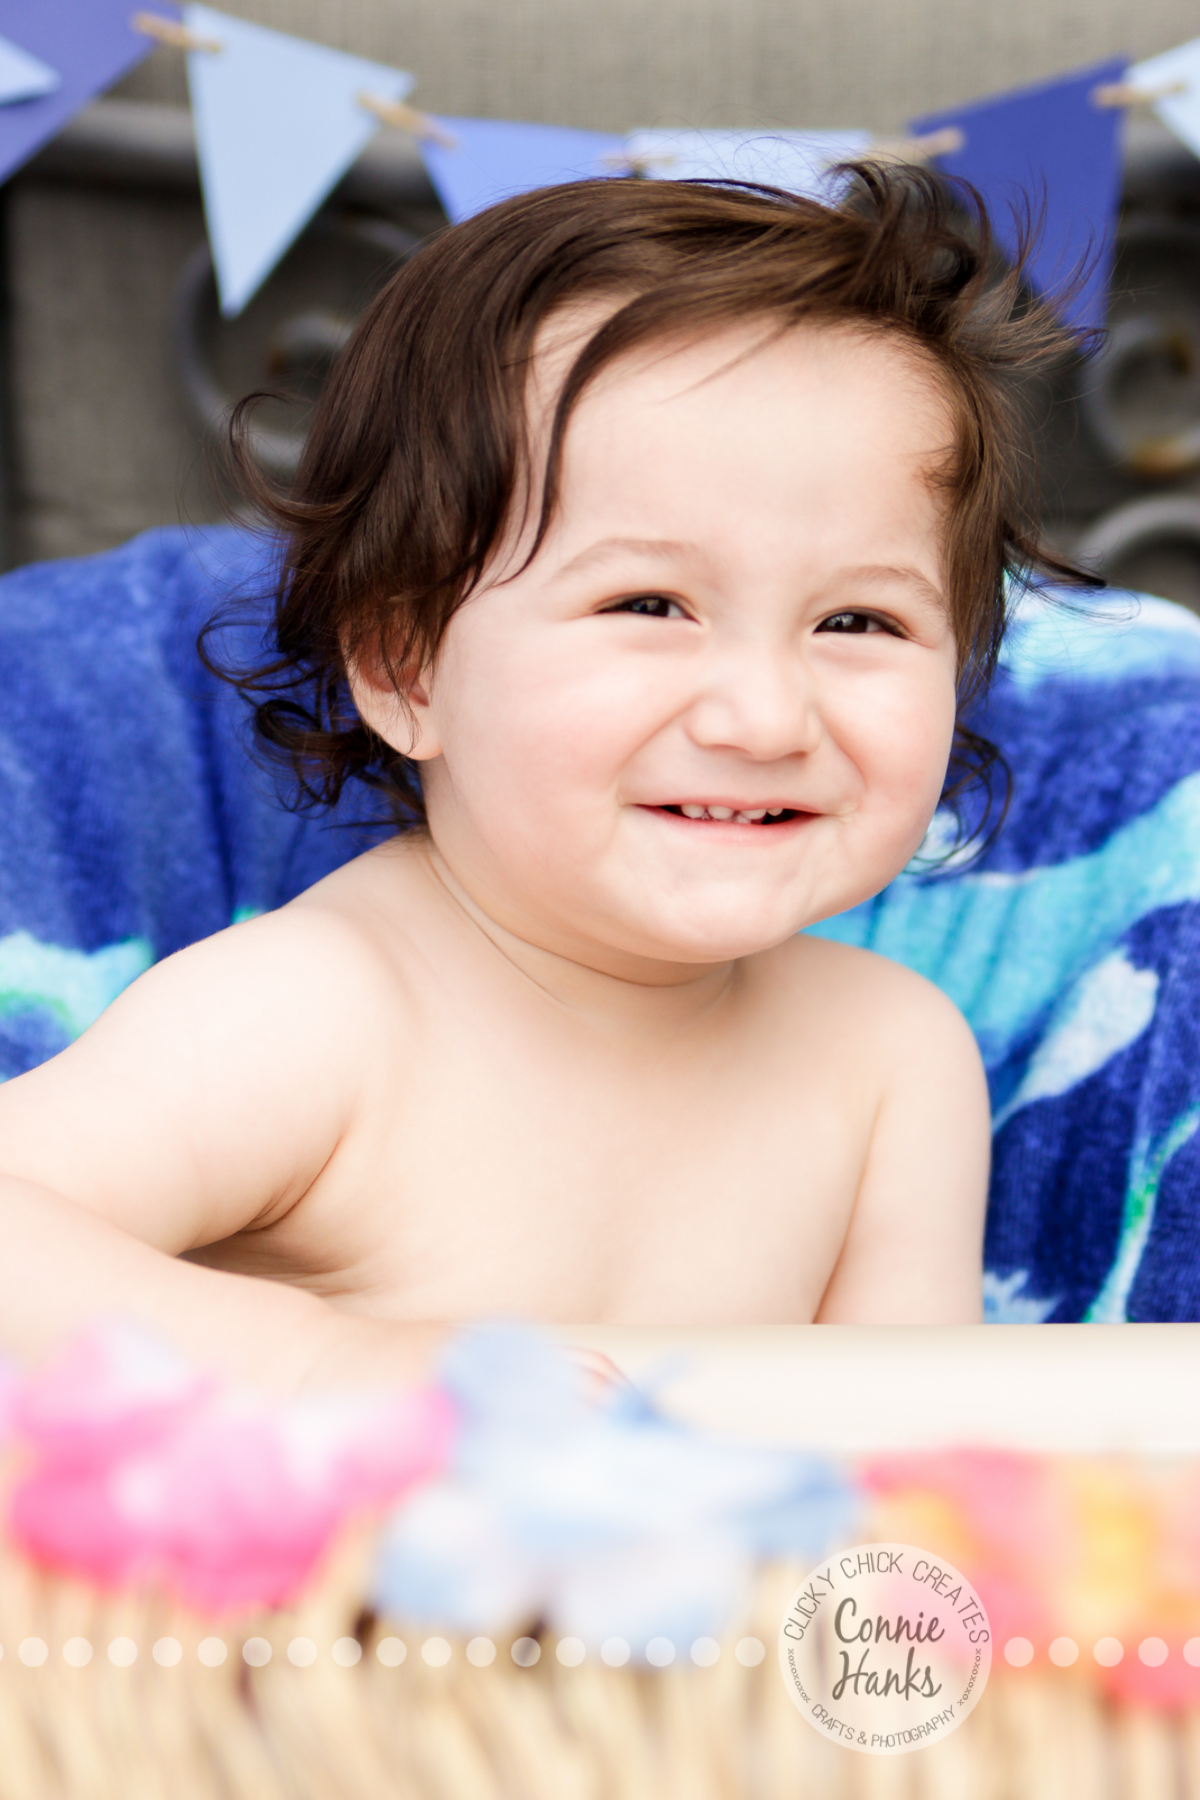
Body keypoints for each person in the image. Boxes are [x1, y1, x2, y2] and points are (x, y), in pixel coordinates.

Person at [0, 167, 1077, 1385]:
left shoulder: (889, 1062)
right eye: (649, 604)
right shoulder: (319, 1015)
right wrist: (322, 1366)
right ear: (407, 669)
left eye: (859, 623)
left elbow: (917, 1452)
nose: (768, 716)